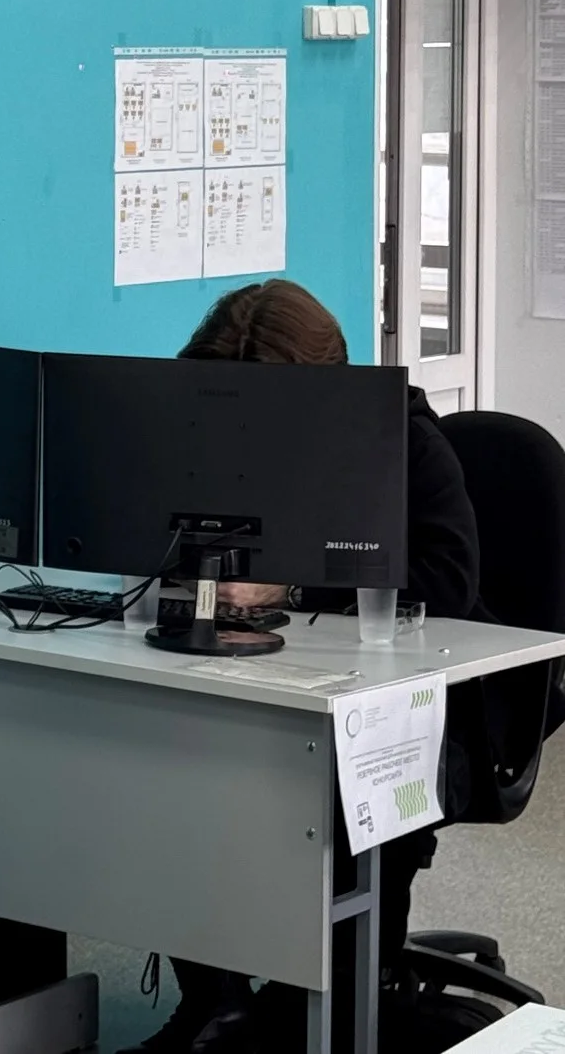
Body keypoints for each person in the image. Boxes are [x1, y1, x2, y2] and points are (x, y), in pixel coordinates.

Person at [124, 278, 480, 1054]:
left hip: (424, 705)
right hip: (266, 681)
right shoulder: (213, 441)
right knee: (162, 759)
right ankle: (215, 1004)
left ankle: (343, 996)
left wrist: (287, 586)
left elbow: (448, 581)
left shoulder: (403, 442)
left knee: (347, 784)